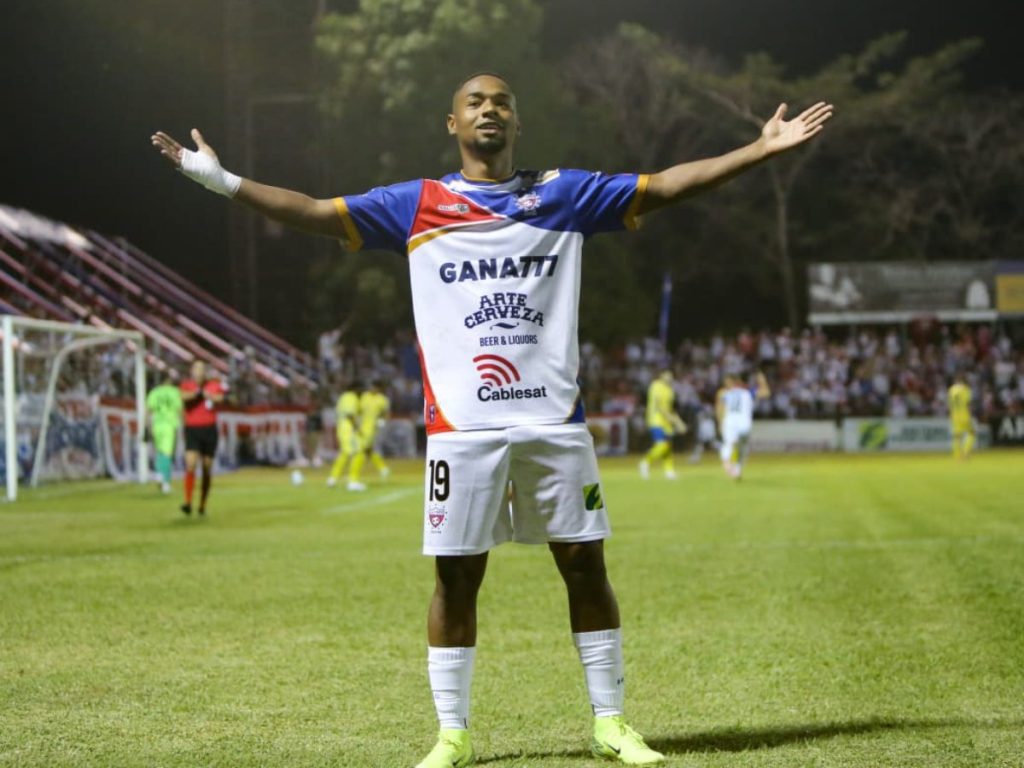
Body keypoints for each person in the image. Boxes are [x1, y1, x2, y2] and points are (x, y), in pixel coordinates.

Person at [152, 72, 831, 766]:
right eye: (475, 102)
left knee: (585, 566)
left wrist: (757, 150)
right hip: (461, 431)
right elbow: (316, 213)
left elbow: (664, 186)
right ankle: (453, 733)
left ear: (516, 121)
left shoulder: (564, 195)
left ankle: (611, 723)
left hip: (554, 423)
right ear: (452, 123)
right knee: (454, 578)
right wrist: (222, 181)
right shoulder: (416, 205)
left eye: (502, 101)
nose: (489, 110)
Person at [179, 359, 226, 515]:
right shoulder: (187, 385)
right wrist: (197, 393)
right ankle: (187, 502)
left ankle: (202, 505)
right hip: (192, 429)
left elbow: (221, 398)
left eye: (202, 369)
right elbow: (183, 396)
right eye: (197, 369)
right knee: (190, 464)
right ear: (192, 371)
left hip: (209, 430)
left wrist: (208, 396)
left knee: (206, 467)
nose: (199, 372)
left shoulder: (213, 385)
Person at [716, 372, 771, 480]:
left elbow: (719, 408)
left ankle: (727, 463)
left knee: (729, 444)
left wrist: (720, 422)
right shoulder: (748, 392)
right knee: (741, 446)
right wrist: (762, 380)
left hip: (730, 422)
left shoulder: (725, 393)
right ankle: (736, 469)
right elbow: (766, 393)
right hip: (743, 423)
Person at [639, 369, 686, 479]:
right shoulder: (656, 386)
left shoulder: (670, 390)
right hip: (656, 420)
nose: (669, 377)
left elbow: (670, 409)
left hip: (667, 422)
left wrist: (679, 422)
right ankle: (645, 461)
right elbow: (659, 406)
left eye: (671, 375)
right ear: (661, 375)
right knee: (662, 445)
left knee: (668, 447)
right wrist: (674, 421)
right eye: (667, 375)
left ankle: (669, 471)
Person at [145, 369, 183, 494]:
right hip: (169, 425)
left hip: (157, 425)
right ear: (168, 380)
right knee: (167, 454)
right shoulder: (174, 392)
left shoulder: (154, 392)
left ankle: (159, 475)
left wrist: (147, 427)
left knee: (160, 452)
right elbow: (179, 409)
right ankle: (164, 481)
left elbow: (148, 411)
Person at [327, 380, 366, 491]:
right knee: (359, 453)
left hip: (342, 428)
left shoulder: (343, 397)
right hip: (349, 430)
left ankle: (332, 478)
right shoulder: (351, 397)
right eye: (361, 389)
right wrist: (357, 428)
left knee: (345, 453)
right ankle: (353, 481)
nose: (362, 392)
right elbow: (350, 414)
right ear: (356, 388)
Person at [356, 379, 391, 481]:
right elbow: (358, 410)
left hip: (372, 428)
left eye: (374, 387)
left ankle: (354, 476)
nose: (372, 389)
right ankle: (383, 468)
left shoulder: (382, 399)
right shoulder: (364, 396)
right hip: (361, 426)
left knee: (362, 450)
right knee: (368, 450)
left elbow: (386, 413)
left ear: (379, 388)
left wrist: (383, 422)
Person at [947, 372, 975, 460]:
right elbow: (968, 404)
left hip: (954, 415)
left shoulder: (951, 390)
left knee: (957, 436)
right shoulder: (965, 389)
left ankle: (957, 456)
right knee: (972, 433)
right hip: (964, 414)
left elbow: (950, 404)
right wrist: (970, 415)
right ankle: (966, 453)